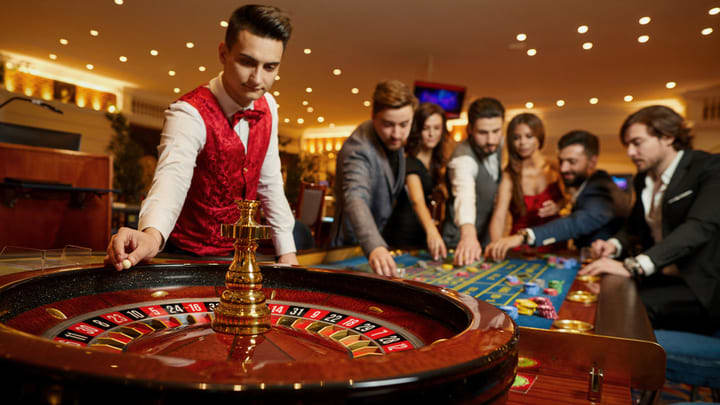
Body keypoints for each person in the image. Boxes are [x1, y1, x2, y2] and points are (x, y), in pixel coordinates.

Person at [106, 5, 298, 270]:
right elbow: (172, 178)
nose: (257, 78)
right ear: (223, 53)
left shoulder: (269, 107)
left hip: (239, 254)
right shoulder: (189, 113)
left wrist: (287, 251)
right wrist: (151, 235)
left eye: (270, 67)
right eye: (247, 62)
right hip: (185, 255)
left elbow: (269, 182)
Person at [581, 105, 720, 335]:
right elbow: (634, 227)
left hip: (699, 287)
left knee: (623, 310)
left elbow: (698, 228)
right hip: (659, 277)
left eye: (637, 143)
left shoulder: (709, 167)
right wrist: (613, 245)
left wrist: (633, 266)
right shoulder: (642, 178)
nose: (630, 153)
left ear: (667, 136)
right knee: (602, 296)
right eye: (628, 145)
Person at [485, 130, 627, 261]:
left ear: (592, 162)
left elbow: (576, 223)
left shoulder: (602, 188)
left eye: (572, 162)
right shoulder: (587, 186)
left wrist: (524, 236)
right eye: (561, 161)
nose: (563, 168)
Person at [330, 80, 418, 277]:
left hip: (375, 245)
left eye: (404, 124)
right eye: (388, 124)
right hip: (349, 247)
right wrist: (375, 246)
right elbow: (355, 197)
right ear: (373, 117)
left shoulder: (393, 141)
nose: (397, 134)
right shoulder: (359, 148)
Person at [486, 113, 564, 256]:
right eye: (516, 138)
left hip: (554, 242)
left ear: (539, 138)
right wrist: (496, 245)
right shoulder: (510, 175)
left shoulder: (555, 168)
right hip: (521, 247)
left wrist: (559, 206)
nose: (522, 142)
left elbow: (571, 200)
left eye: (529, 136)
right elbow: (499, 215)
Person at [442, 98, 504, 266]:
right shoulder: (462, 158)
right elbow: (465, 195)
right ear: (469, 129)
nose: (491, 140)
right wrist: (468, 234)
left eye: (496, 131)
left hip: (483, 239)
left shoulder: (500, 144)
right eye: (483, 133)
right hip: (458, 242)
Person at [383, 102, 449, 260]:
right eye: (426, 128)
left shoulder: (435, 163)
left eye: (437, 128)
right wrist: (432, 231)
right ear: (418, 130)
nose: (432, 134)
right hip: (403, 232)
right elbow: (417, 201)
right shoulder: (409, 161)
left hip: (421, 230)